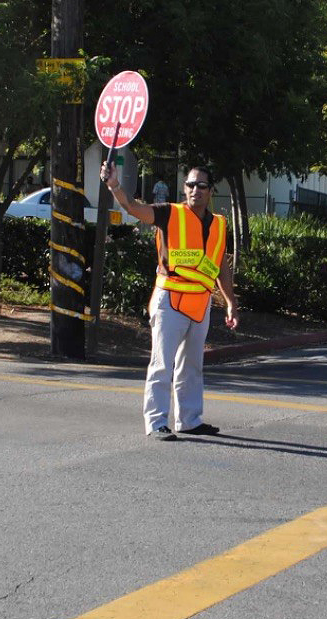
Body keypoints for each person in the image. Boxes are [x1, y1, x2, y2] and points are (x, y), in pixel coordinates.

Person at [101, 160, 240, 440]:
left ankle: (189, 420)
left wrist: (230, 302)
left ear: (211, 191)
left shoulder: (219, 225)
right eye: (190, 184)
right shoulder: (170, 214)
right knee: (162, 363)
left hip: (200, 303)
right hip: (170, 300)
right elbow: (133, 208)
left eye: (201, 185)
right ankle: (155, 423)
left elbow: (221, 266)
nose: (194, 190)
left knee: (192, 366)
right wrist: (115, 184)